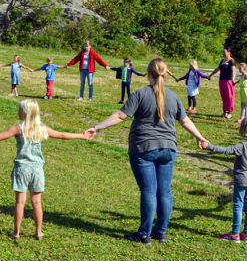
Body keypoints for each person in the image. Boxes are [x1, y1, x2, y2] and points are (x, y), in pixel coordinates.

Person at [87, 58, 208, 244]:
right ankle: (160, 232)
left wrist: (97, 127)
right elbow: (185, 121)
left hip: (143, 148)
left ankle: (144, 233)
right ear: (166, 74)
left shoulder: (140, 94)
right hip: (168, 149)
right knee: (165, 192)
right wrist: (200, 137)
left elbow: (120, 115)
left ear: (149, 74)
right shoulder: (174, 96)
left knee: (149, 191)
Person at [0, 99, 93, 239]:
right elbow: (62, 135)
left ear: (23, 113)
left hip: (22, 168)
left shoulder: (18, 128)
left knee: (20, 202)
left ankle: (16, 232)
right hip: (37, 170)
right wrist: (82, 136)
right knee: (36, 202)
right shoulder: (42, 128)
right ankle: (38, 232)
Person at [207, 48, 237, 119]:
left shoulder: (231, 61)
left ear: (229, 52)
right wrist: (210, 75)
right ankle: (224, 112)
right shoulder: (222, 61)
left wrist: (233, 79)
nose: (223, 53)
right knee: (224, 97)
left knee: (229, 97)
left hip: (228, 81)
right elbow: (217, 69)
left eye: (225, 52)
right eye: (223, 52)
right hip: (221, 81)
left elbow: (234, 71)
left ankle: (230, 112)